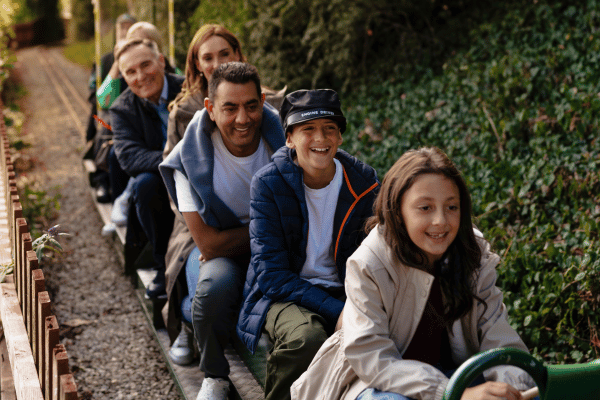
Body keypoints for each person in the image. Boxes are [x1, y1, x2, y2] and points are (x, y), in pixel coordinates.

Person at [290, 147, 536, 400]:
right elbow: (373, 359)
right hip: (380, 383)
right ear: (397, 212)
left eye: (451, 206)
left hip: (455, 374)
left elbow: (499, 340)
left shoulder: (474, 254)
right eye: (425, 208)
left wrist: (514, 390)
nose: (441, 220)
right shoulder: (369, 263)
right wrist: (451, 393)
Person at [237, 89, 380, 400]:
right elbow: (272, 276)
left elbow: (377, 257)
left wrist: (358, 304)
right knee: (307, 337)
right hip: (283, 294)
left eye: (329, 128)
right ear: (289, 138)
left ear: (340, 137)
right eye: (308, 129)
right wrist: (337, 311)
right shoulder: (268, 183)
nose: (321, 137)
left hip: (346, 290)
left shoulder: (364, 183)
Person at [162, 24, 286, 367]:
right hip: (203, 230)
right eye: (230, 108)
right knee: (216, 289)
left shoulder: (279, 128)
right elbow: (211, 245)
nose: (242, 118)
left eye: (250, 107)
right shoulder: (188, 149)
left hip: (264, 242)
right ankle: (204, 349)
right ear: (211, 108)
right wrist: (271, 229)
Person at [110, 38, 184, 299]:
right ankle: (162, 265)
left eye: (146, 65)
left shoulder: (188, 88)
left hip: (201, 171)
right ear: (124, 77)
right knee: (144, 184)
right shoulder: (121, 109)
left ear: (161, 61)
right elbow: (129, 158)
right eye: (130, 71)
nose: (140, 76)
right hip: (164, 180)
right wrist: (177, 159)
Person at [85, 13, 136, 204]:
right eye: (121, 28)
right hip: (110, 111)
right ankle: (101, 179)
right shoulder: (104, 61)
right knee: (104, 121)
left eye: (128, 27)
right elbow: (96, 95)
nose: (124, 32)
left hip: (135, 110)